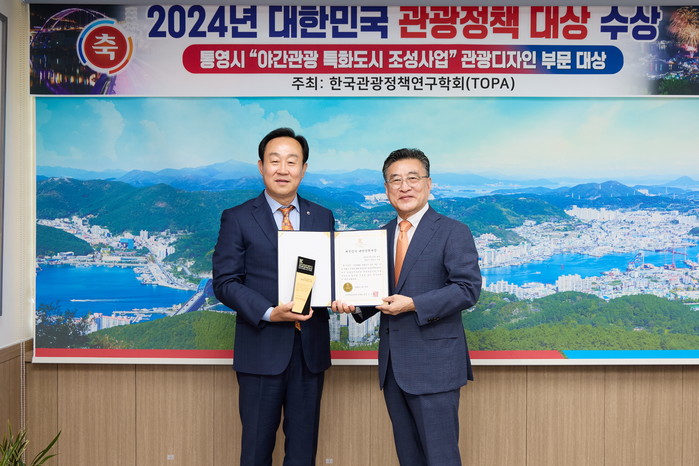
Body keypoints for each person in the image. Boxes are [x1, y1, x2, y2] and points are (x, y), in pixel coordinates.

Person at [332, 148, 481, 466]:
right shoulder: (379, 236)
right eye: (395, 180)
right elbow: (375, 293)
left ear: (429, 184)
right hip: (393, 368)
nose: (404, 187)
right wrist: (352, 306)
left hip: (435, 366)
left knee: (441, 458)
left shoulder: (453, 231)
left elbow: (467, 290)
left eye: (412, 178)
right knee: (408, 457)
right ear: (386, 189)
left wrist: (414, 304)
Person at [212, 127, 334, 466]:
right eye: (274, 160)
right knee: (256, 449)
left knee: (303, 451)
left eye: (292, 161)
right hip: (261, 348)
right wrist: (268, 311)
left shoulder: (321, 216)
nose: (283, 169)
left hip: (309, 351)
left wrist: (343, 295)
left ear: (303, 169)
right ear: (261, 166)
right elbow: (225, 282)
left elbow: (329, 274)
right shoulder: (238, 217)